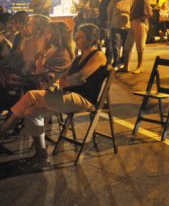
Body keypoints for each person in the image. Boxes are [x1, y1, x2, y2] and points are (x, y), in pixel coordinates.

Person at [0, 24, 107, 171]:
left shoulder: (98, 55)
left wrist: (70, 79)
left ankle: (2, 132)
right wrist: (67, 80)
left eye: (80, 36)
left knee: (30, 95)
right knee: (30, 112)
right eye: (77, 35)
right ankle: (41, 155)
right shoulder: (78, 58)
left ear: (92, 39)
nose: (76, 38)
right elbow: (65, 79)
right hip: (68, 95)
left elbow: (81, 76)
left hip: (84, 99)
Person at [124, 0, 152, 74]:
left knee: (139, 45)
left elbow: (148, 13)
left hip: (140, 23)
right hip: (133, 23)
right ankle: (126, 66)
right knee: (128, 44)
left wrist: (141, 20)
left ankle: (140, 66)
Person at [107, 0, 133, 70]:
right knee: (116, 45)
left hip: (127, 26)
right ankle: (116, 62)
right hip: (115, 25)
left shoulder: (131, 1)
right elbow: (109, 11)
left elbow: (133, 12)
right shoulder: (115, 0)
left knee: (126, 46)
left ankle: (124, 61)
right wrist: (110, 22)